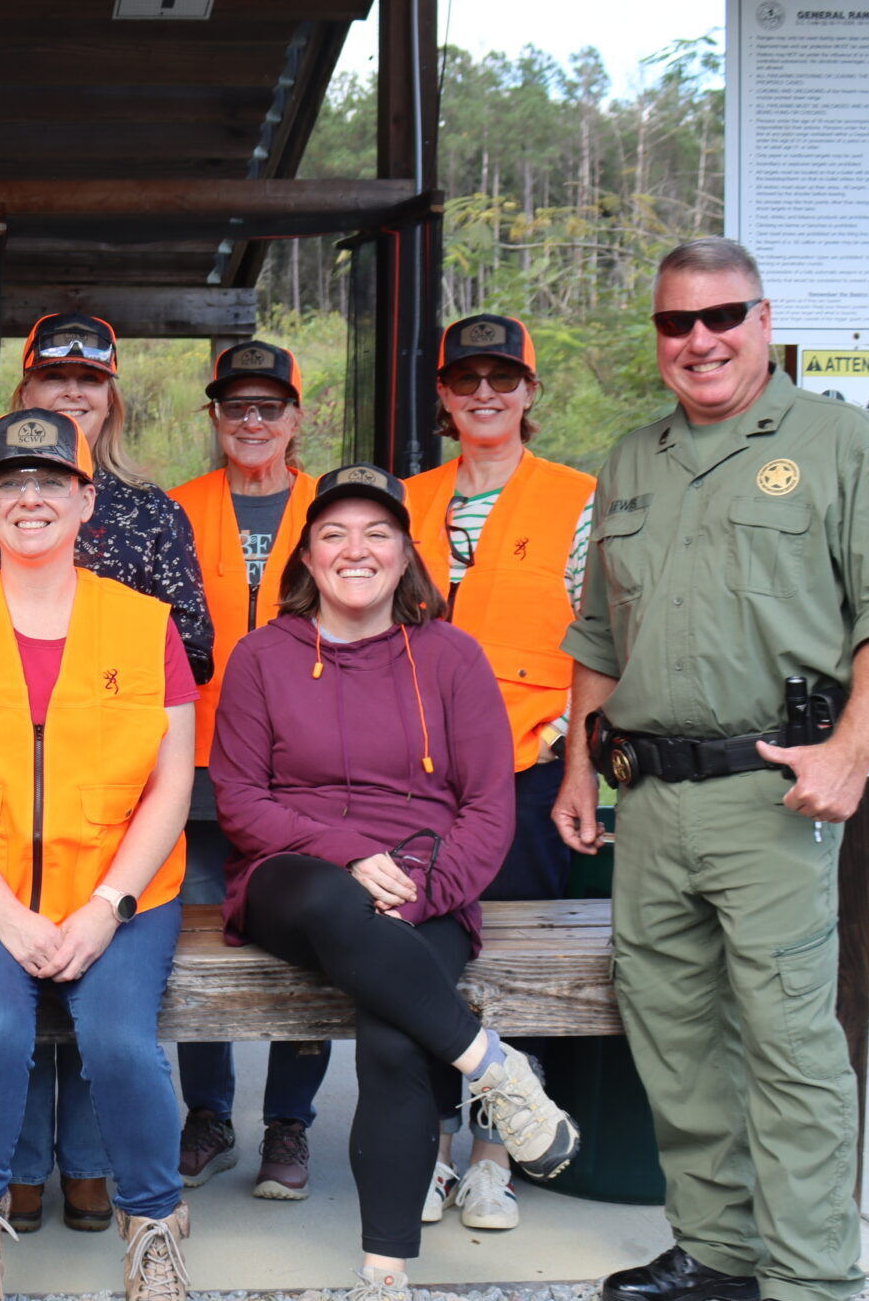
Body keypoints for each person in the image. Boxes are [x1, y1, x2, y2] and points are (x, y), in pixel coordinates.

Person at [556, 239, 869, 1301]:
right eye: (676, 323)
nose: (700, 341)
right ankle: (719, 1250)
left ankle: (814, 1278)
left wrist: (850, 756)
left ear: (763, 321)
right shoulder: (633, 457)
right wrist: (581, 770)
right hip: (651, 793)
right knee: (673, 1035)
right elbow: (598, 632)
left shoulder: (844, 446)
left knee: (788, 1044)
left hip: (769, 795)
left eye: (721, 316)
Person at [210, 462, 581, 1301]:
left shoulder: (451, 657)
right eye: (334, 533)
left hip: (426, 883)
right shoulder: (263, 657)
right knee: (328, 894)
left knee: (394, 1037)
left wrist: (418, 892)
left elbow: (490, 805)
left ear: (406, 553)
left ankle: (385, 1272)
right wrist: (343, 852)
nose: (356, 549)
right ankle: (497, 1069)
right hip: (290, 875)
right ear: (304, 556)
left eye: (377, 532)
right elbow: (240, 800)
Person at [0, 409, 196, 1301]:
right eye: (11, 483)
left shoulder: (146, 625)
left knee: (117, 1037)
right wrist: (8, 917)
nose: (32, 498)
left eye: (52, 481)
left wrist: (107, 906)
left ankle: (154, 1228)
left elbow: (171, 789)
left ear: (86, 498)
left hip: (120, 886)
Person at [402, 313, 596, 1231]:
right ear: (442, 394)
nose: (486, 395)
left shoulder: (579, 498)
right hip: (412, 774)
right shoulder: (402, 501)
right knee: (418, 957)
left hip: (526, 768)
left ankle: (493, 1159)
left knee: (514, 962)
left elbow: (606, 640)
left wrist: (577, 758)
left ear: (530, 392)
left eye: (503, 379)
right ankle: (433, 1147)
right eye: (466, 380)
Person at [163, 338, 327, 1198]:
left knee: (309, 940)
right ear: (216, 418)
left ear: (298, 417)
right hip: (192, 759)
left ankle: (290, 1125)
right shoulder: (176, 510)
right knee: (198, 941)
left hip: (309, 767)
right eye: (236, 407)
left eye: (270, 406)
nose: (253, 420)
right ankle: (209, 1113)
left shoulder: (335, 508)